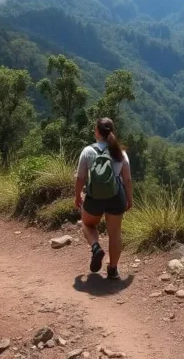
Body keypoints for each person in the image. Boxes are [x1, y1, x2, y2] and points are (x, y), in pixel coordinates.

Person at [75, 118, 134, 280]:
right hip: (116, 197)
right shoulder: (120, 152)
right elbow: (127, 179)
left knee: (87, 223)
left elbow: (80, 178)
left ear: (96, 131)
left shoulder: (88, 151)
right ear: (112, 131)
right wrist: (130, 199)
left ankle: (95, 247)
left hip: (94, 197)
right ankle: (113, 270)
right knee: (114, 234)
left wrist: (77, 196)